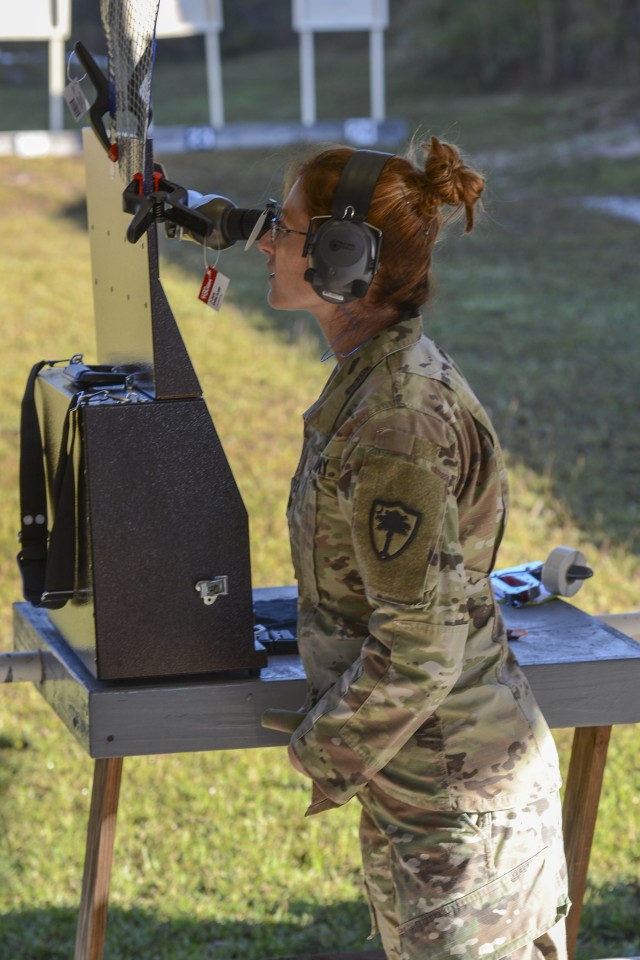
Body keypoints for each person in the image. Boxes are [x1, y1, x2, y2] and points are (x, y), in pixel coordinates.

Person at [257, 136, 570, 960]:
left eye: (286, 230)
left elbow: (422, 653)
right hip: (439, 797)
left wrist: (317, 749)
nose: (266, 243)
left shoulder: (395, 417)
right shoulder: (376, 379)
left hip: (460, 818)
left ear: (343, 257)